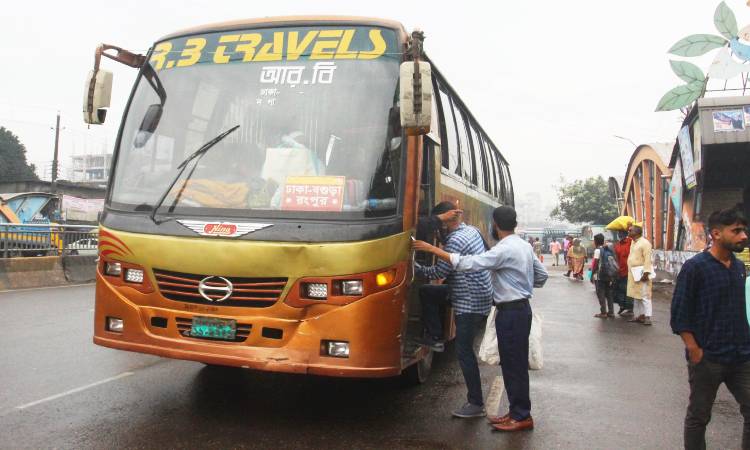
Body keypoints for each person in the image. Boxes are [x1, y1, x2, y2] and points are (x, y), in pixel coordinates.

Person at [413, 206, 548, 432]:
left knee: (513, 365)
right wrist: (520, 284)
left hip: (511, 311)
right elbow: (542, 276)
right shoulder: (523, 245)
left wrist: (431, 250)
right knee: (511, 364)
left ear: (495, 224)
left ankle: (521, 415)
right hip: (517, 308)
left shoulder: (503, 249)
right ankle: (516, 412)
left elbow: (469, 263)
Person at [670, 208, 750, 450]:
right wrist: (694, 349)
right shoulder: (696, 268)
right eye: (736, 231)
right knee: (699, 416)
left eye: (744, 230)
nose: (744, 236)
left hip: (741, 357)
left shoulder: (738, 267)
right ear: (716, 233)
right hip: (708, 358)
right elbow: (679, 313)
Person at [414, 201, 493, 419]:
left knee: (464, 352)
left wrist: (416, 267)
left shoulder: (456, 240)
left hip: (468, 300)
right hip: (478, 294)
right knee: (429, 293)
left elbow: (438, 271)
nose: (438, 230)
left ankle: (476, 403)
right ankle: (435, 337)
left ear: (448, 220)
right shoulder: (472, 230)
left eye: (439, 225)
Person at [626, 224, 653, 326]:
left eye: (630, 230)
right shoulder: (633, 242)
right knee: (636, 296)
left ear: (636, 232)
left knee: (645, 296)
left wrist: (646, 273)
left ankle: (647, 317)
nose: (628, 232)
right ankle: (638, 316)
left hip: (642, 273)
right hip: (633, 273)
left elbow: (647, 259)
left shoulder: (645, 243)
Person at [590, 233, 615, 318]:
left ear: (596, 241)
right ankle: (611, 312)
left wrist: (592, 274)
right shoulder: (608, 249)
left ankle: (603, 312)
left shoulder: (597, 250)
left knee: (600, 293)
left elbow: (596, 264)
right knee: (609, 294)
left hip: (600, 275)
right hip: (608, 274)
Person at [613, 229, 635, 316]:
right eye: (618, 233)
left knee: (628, 289)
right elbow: (615, 257)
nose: (619, 234)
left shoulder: (631, 242)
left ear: (625, 234)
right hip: (619, 270)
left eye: (621, 233)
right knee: (619, 289)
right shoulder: (617, 245)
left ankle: (630, 309)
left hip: (629, 270)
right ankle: (622, 305)